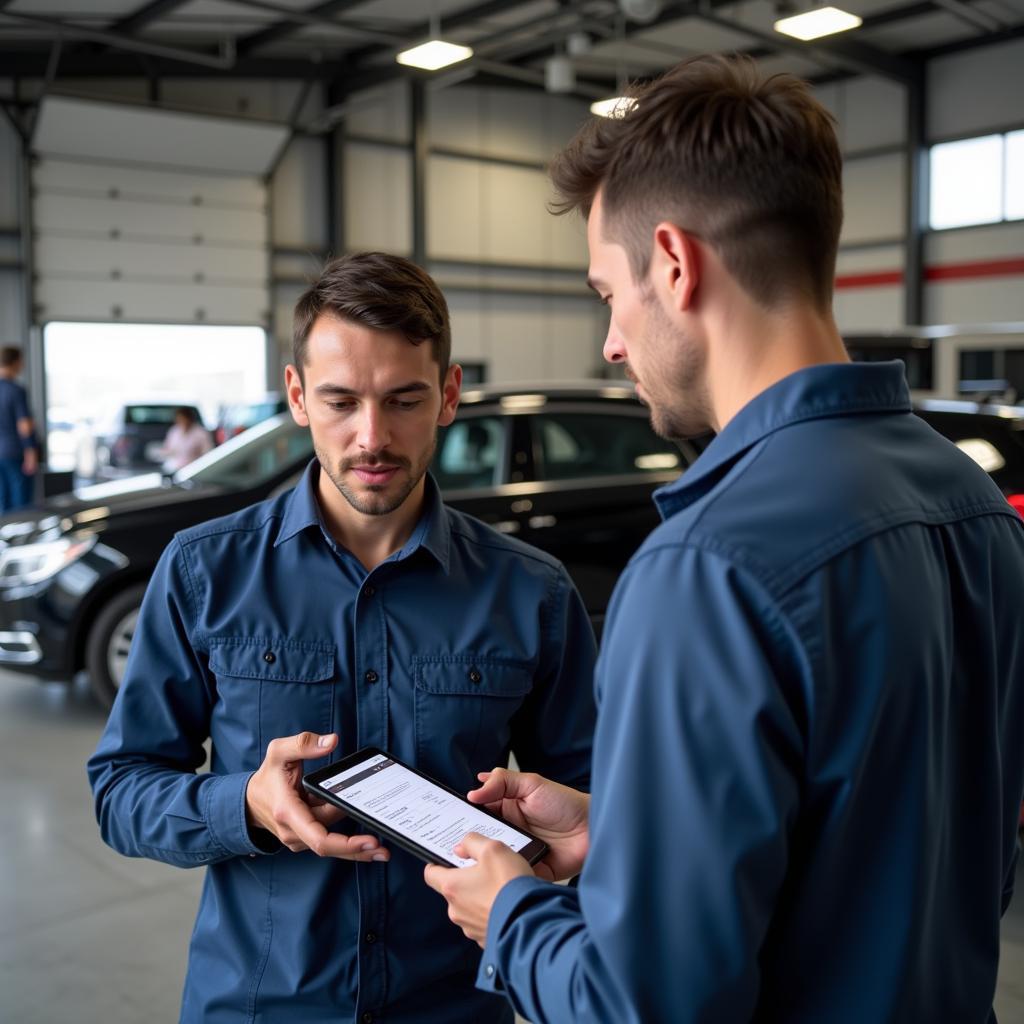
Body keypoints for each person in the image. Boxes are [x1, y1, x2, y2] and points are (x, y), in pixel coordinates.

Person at [425, 55, 1024, 1023]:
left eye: (606, 294)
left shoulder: (707, 565)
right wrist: (622, 836)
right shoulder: (968, 500)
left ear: (673, 261)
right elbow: (918, 852)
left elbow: (646, 1004)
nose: (612, 342)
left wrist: (514, 913)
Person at [87, 252, 597, 1024]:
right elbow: (121, 789)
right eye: (339, 401)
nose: (372, 437)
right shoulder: (203, 573)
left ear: (449, 396)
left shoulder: (532, 593)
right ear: (296, 396)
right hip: (259, 1005)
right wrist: (245, 805)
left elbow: (600, 810)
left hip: (452, 1008)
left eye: (403, 400)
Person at [0, 345, 38, 513]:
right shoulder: (16, 390)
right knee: (21, 503)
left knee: (3, 500)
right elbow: (25, 425)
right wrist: (31, 452)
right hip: (15, 452)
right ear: (15, 362)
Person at [158, 405, 213, 472]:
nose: (182, 421)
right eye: (179, 419)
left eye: (184, 419)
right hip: (174, 467)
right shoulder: (174, 431)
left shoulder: (201, 433)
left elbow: (207, 453)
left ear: (189, 418)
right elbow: (168, 448)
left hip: (193, 468)